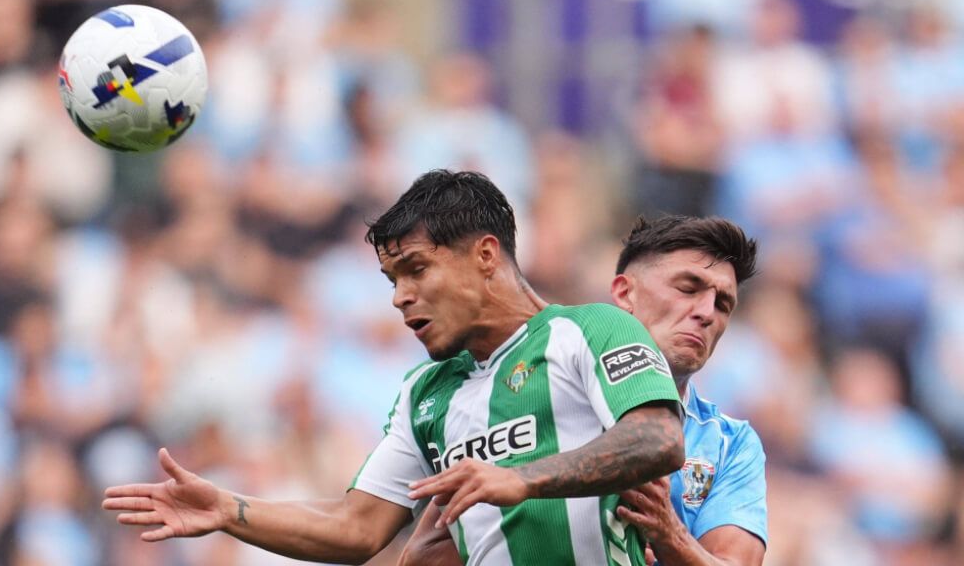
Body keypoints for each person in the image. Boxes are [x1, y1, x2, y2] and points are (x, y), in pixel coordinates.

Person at [103, 170, 685, 565]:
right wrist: (231, 510)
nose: (399, 297)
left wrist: (524, 477)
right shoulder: (424, 395)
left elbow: (658, 438)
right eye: (391, 279)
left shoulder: (588, 331)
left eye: (416, 270)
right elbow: (357, 526)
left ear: (485, 254)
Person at [400, 215, 767, 566]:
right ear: (624, 293)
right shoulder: (529, 402)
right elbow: (427, 553)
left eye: (723, 304)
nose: (706, 313)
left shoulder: (730, 443)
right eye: (688, 288)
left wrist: (670, 535)